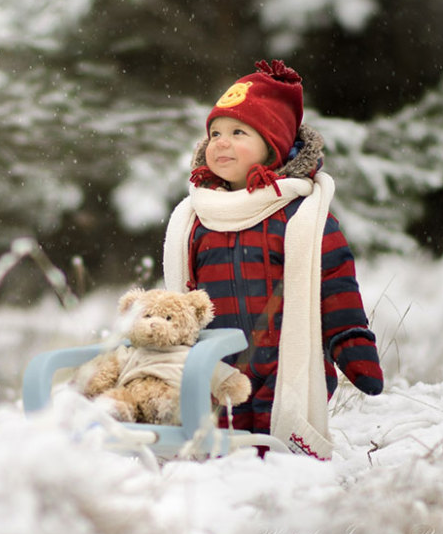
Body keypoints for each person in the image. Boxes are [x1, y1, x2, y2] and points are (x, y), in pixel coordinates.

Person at [163, 60, 383, 459]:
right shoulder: (197, 216)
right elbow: (181, 302)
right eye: (214, 133)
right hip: (217, 367)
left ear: (273, 144)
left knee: (278, 455)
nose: (220, 142)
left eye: (238, 132)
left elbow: (335, 286)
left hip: (284, 365)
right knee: (219, 460)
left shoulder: (301, 217)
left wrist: (351, 343)